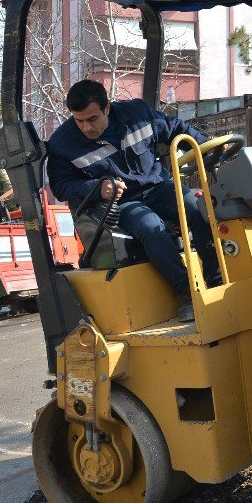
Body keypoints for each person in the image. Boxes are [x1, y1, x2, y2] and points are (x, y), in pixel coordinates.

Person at [47, 79, 220, 322]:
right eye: (79, 121)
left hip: (158, 186)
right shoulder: (63, 144)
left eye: (92, 119)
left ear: (107, 108)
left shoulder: (137, 114)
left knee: (199, 209)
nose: (86, 127)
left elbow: (175, 128)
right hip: (124, 202)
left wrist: (206, 147)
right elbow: (61, 185)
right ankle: (187, 294)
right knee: (151, 228)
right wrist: (97, 189)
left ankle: (217, 283)